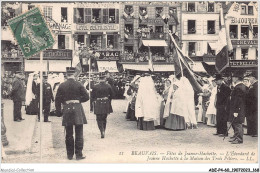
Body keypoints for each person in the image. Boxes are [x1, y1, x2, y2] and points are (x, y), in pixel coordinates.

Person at [55, 67, 89, 160]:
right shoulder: (79, 84)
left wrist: (60, 110)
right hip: (77, 108)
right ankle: (79, 155)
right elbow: (87, 97)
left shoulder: (62, 85)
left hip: (67, 109)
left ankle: (69, 155)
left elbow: (57, 99)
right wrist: (78, 101)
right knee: (79, 133)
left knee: (68, 133)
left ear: (66, 74)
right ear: (74, 74)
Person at [228, 71, 247, 144]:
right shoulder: (240, 86)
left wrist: (236, 110)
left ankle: (239, 139)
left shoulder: (239, 87)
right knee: (236, 123)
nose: (232, 78)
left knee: (238, 123)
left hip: (238, 109)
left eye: (234, 77)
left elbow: (238, 100)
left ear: (237, 78)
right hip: (238, 108)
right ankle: (236, 137)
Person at [245, 71, 258, 137]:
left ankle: (255, 132)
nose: (249, 79)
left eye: (250, 78)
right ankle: (250, 131)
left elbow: (255, 96)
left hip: (254, 105)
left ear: (253, 78)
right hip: (249, 105)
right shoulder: (252, 85)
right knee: (249, 118)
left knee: (254, 118)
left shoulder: (257, 85)